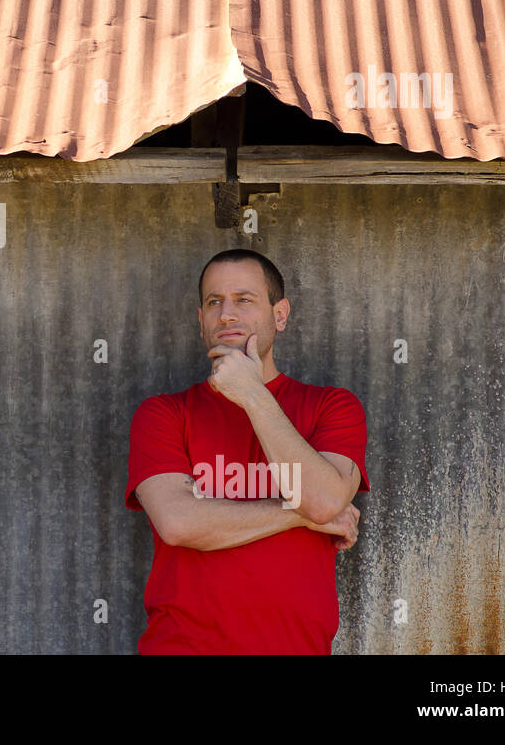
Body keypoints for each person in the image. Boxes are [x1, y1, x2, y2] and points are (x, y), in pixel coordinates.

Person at [126, 248, 370, 654]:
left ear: (280, 314)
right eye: (213, 302)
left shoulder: (332, 406)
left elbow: (326, 499)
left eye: (244, 299)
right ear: (200, 320)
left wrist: (253, 395)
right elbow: (178, 523)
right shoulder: (164, 414)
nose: (226, 314)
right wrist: (302, 516)